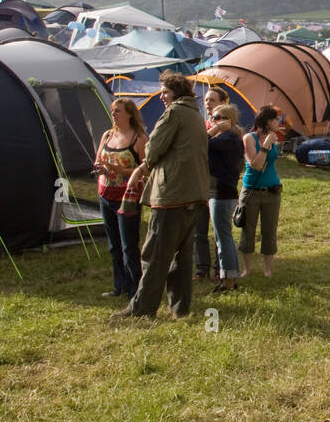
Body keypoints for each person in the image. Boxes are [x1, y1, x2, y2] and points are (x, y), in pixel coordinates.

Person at [114, 72, 210, 319]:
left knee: (156, 253)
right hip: (194, 193)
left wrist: (144, 164)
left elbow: (153, 147)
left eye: (165, 92)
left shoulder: (174, 113)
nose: (162, 97)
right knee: (182, 255)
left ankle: (142, 309)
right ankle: (180, 308)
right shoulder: (196, 115)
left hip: (172, 194)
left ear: (175, 92)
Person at [94, 98, 148, 299]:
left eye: (118, 111)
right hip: (106, 194)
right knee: (114, 244)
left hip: (128, 197)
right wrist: (100, 168)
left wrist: (120, 170)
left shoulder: (140, 138)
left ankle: (135, 288)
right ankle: (120, 285)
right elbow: (99, 159)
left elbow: (146, 168)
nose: (114, 114)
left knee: (128, 244)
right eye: (113, 111)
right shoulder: (108, 135)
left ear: (130, 114)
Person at [239, 105, 284, 278]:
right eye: (275, 119)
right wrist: (265, 146)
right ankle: (247, 268)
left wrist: (271, 143)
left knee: (269, 230)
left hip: (272, 191)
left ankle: (267, 269)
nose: (278, 122)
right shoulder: (249, 138)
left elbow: (270, 162)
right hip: (252, 191)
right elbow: (256, 165)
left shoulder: (274, 138)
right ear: (266, 121)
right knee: (248, 229)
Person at [192, 87, 229, 279]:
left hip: (218, 183)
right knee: (199, 229)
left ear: (223, 102)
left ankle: (219, 268)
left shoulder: (227, 129)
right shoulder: (202, 125)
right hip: (200, 181)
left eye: (212, 100)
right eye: (206, 100)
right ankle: (201, 268)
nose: (208, 103)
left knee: (218, 229)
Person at [207, 103, 244, 292]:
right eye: (213, 117)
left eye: (218, 117)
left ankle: (229, 280)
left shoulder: (227, 138)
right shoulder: (229, 138)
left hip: (221, 194)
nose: (214, 121)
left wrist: (215, 129)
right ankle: (229, 277)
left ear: (229, 120)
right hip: (223, 192)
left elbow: (201, 142)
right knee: (223, 236)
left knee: (223, 237)